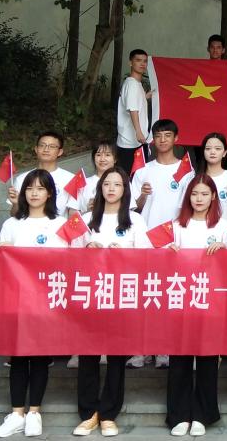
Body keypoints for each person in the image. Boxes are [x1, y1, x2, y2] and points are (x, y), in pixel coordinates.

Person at [0, 170, 69, 438]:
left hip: (46, 301)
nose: (34, 193)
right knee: (19, 357)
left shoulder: (60, 224)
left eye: (40, 188)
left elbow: (70, 262)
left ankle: (34, 413)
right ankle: (16, 414)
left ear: (50, 193)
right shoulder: (12, 224)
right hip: (17, 300)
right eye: (30, 188)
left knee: (40, 357)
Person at [71, 168, 149, 437]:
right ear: (100, 188)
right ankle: (88, 413)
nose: (112, 188)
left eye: (118, 184)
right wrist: (86, 250)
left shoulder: (135, 220)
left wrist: (124, 255)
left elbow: (147, 258)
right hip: (91, 295)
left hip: (121, 296)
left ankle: (108, 413)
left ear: (126, 190)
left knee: (116, 356)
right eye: (107, 184)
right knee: (88, 354)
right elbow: (66, 254)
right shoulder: (85, 220)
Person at [165, 175, 227, 437]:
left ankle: (203, 413)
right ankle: (179, 414)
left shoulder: (223, 227)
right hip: (180, 298)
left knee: (207, 358)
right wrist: (168, 251)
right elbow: (158, 259)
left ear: (214, 197)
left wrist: (224, 249)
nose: (199, 199)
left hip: (210, 300)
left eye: (205, 194)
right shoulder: (176, 226)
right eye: (194, 194)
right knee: (180, 357)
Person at [129, 118, 191, 369]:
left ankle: (164, 349)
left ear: (176, 139)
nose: (162, 140)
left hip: (174, 243)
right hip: (146, 242)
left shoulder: (186, 171)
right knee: (145, 297)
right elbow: (134, 208)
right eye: (158, 136)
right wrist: (143, 196)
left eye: (167, 135)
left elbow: (190, 208)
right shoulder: (143, 171)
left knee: (169, 297)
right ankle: (141, 350)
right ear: (152, 140)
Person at [7, 131, 76, 218]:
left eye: (52, 146)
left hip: (59, 226)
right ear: (36, 149)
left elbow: (74, 212)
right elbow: (14, 215)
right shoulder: (22, 178)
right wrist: (16, 204)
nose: (46, 149)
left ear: (60, 152)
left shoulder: (71, 179)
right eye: (42, 145)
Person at [116, 49, 153, 174]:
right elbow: (133, 109)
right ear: (130, 63)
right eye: (138, 60)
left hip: (135, 142)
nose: (142, 64)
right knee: (130, 177)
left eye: (145, 61)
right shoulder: (131, 84)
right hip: (130, 143)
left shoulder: (136, 84)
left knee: (137, 176)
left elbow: (134, 102)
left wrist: (145, 96)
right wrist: (138, 132)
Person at [199, 132, 227, 223]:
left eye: (218, 149)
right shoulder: (195, 179)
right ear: (203, 152)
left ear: (224, 153)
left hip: (224, 230)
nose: (212, 152)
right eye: (208, 148)